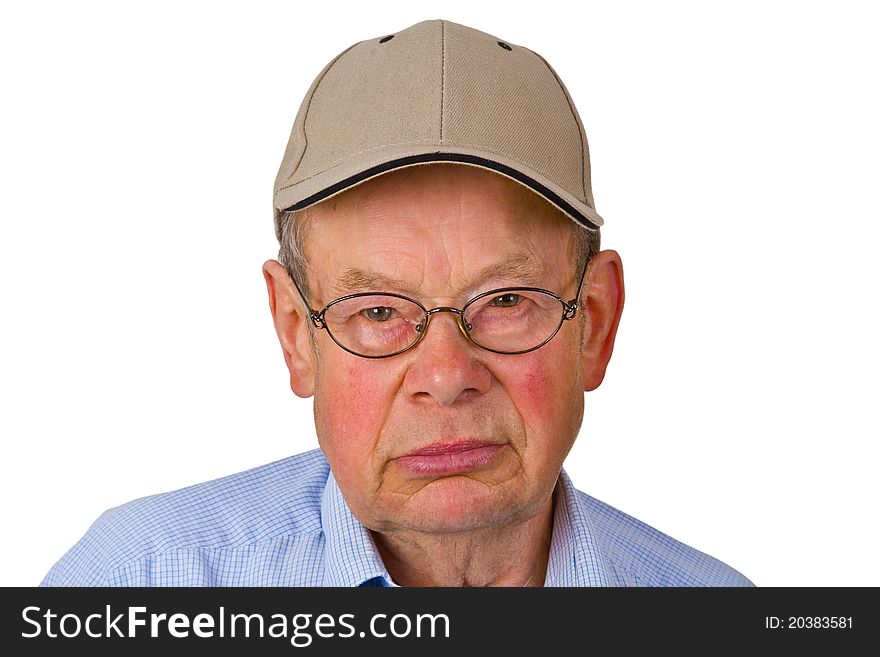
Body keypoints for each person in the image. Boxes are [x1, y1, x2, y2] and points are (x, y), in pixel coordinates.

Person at [41, 19, 752, 587]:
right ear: (295, 334)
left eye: (505, 299)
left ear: (593, 322)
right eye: (378, 311)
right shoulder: (133, 588)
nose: (446, 375)